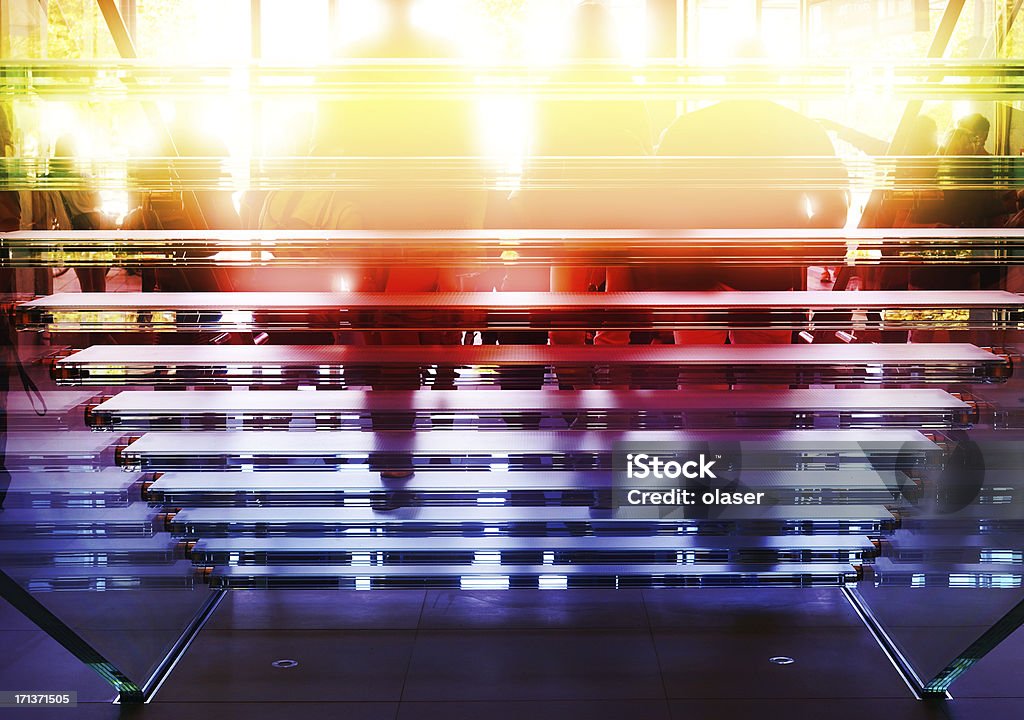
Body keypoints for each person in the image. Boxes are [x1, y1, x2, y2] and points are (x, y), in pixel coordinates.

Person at [648, 92, 848, 346]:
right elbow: (834, 209)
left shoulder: (686, 127)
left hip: (696, 271)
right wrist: (792, 251)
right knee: (764, 379)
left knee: (699, 377)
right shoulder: (802, 129)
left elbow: (658, 201)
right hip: (768, 271)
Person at [49, 135, 114, 292]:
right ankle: (99, 312)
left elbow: (52, 212)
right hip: (94, 229)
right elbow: (98, 202)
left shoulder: (52, 180)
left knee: (85, 283)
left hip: (72, 234)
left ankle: (88, 313)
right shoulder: (83, 175)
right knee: (99, 281)